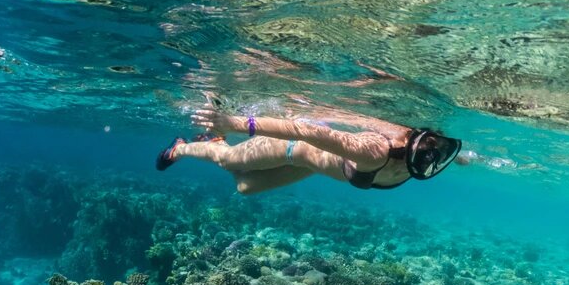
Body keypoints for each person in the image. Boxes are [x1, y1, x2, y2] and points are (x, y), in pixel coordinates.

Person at [155, 103, 465, 195]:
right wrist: (234, 122)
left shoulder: (435, 154)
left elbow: (457, 153)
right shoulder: (375, 152)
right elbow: (302, 131)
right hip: (292, 147)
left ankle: (215, 142)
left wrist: (463, 157)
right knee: (229, 161)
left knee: (245, 187)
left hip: (308, 165)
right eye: (431, 147)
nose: (434, 156)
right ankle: (182, 149)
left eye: (440, 149)